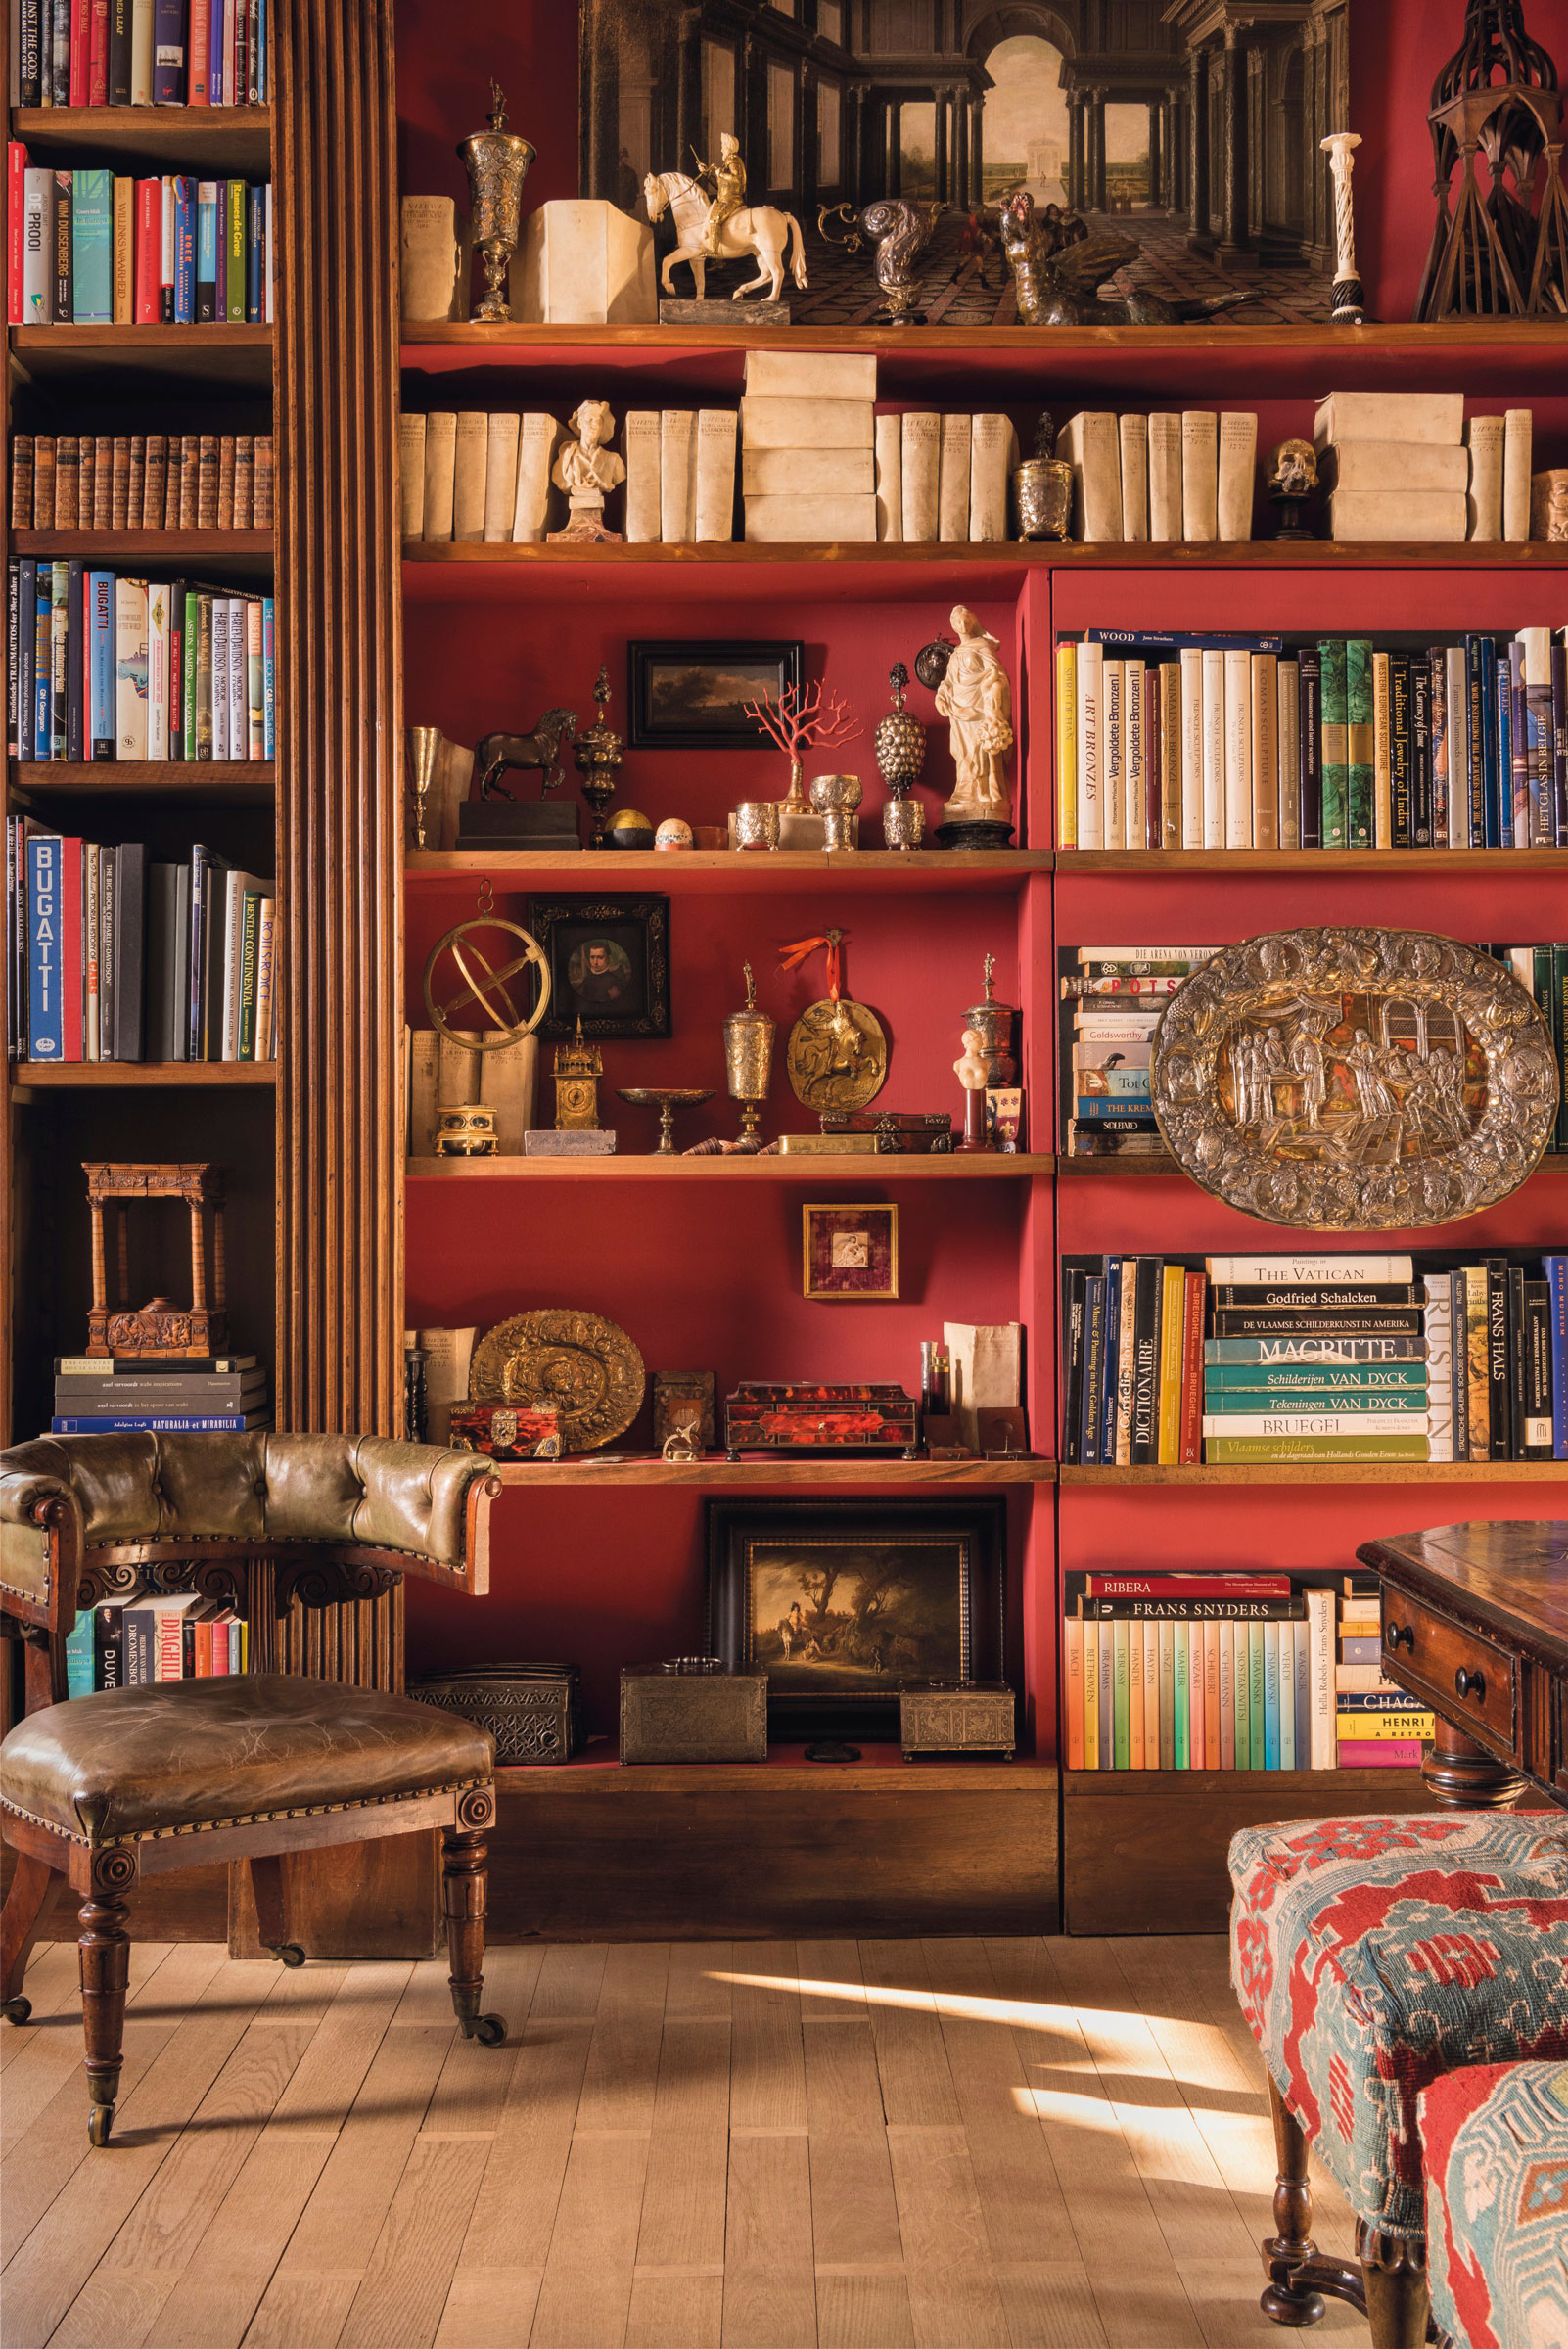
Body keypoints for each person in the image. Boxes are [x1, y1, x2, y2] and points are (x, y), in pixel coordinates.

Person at [936, 605, 1014, 825]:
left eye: (964, 620)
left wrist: (993, 692)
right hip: (959, 713)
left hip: (980, 710)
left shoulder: (982, 647)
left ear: (972, 621)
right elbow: (947, 683)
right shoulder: (956, 654)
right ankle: (964, 793)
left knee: (981, 754)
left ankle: (984, 795)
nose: (961, 625)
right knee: (963, 756)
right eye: (957, 622)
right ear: (953, 625)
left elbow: (997, 674)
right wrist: (940, 697)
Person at [696, 132, 747, 255]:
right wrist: (706, 173)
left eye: (723, 146)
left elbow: (737, 179)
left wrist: (721, 174)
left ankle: (714, 250)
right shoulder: (728, 162)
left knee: (715, 218)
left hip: (731, 199)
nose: (721, 149)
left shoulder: (733, 160)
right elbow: (720, 185)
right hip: (724, 198)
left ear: (729, 147)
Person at [570, 939, 632, 1008]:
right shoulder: (588, 979)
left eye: (600, 957)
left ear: (608, 959)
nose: (595, 962)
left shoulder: (613, 982)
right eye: (592, 957)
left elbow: (617, 1006)